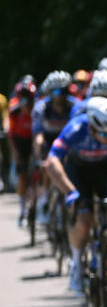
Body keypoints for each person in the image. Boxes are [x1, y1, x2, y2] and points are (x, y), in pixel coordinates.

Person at [44, 97, 107, 295]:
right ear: (92, 127)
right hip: (79, 171)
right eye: (104, 133)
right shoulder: (76, 128)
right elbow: (52, 162)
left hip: (105, 170)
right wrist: (70, 192)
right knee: (84, 219)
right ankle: (76, 264)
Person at [33, 71, 80, 223]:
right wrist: (39, 158)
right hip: (48, 141)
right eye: (55, 92)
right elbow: (38, 136)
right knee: (48, 166)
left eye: (62, 91)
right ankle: (45, 199)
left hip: (68, 141)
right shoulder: (41, 108)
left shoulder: (76, 105)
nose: (58, 96)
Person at [7, 76, 37, 223]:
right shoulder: (14, 111)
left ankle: (40, 202)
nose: (28, 105)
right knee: (23, 176)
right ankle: (22, 211)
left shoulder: (38, 109)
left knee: (39, 172)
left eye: (30, 101)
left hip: (34, 140)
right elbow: (10, 134)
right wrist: (15, 154)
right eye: (24, 101)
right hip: (20, 142)